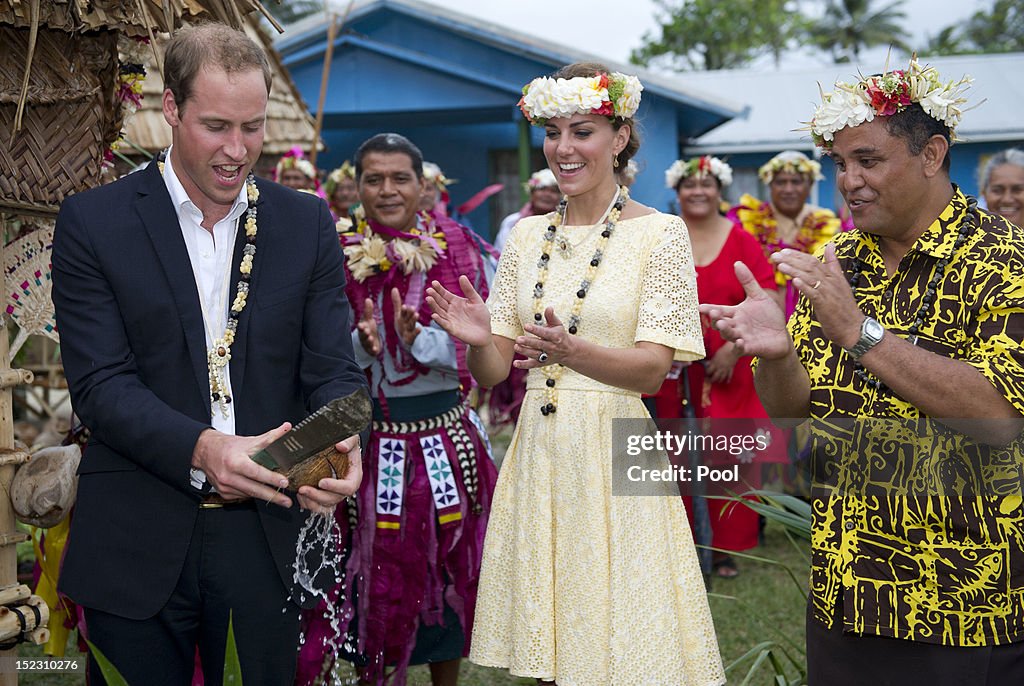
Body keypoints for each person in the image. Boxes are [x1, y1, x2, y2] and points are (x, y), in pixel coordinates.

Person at [51, 23, 366, 685]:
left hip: (268, 540)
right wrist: (204, 449)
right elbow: (101, 387)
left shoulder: (305, 223)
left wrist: (342, 439)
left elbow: (334, 366)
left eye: (251, 128)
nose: (237, 150)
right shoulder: (93, 222)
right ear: (171, 109)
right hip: (137, 535)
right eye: (216, 125)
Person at [702, 57, 1024, 685]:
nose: (849, 181)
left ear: (932, 154)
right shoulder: (837, 261)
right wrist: (777, 355)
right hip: (844, 587)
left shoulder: (1005, 261)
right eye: (840, 164)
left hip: (963, 596)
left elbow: (998, 418)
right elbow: (795, 413)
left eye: (869, 162)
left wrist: (859, 333)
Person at [427, 62, 724, 686]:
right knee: (552, 635)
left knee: (624, 634)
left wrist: (570, 351)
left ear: (619, 138)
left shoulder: (661, 234)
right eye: (553, 131)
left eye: (582, 130)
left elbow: (651, 372)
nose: (564, 147)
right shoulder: (527, 235)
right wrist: (481, 340)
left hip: (617, 442)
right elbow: (494, 367)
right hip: (542, 446)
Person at [313, 133, 497, 686]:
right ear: (357, 187)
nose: (388, 190)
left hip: (444, 436)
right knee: (367, 572)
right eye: (375, 179)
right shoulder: (332, 250)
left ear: (423, 185)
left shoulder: (458, 244)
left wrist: (415, 340)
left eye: (400, 178)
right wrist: (361, 345)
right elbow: (315, 345)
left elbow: (486, 342)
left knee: (447, 563)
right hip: (364, 440)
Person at [656, 156, 785, 578]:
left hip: (730, 367)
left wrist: (734, 350)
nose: (698, 191)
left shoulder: (742, 239)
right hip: (672, 369)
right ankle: (679, 544)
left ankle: (728, 547)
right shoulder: (661, 236)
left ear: (719, 190)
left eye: (706, 184)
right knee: (672, 456)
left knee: (731, 454)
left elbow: (769, 296)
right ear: (676, 191)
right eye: (689, 184)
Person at [728, 150, 842, 318]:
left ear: (810, 185)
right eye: (781, 182)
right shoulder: (749, 222)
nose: (789, 189)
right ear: (770, 185)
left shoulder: (827, 225)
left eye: (796, 182)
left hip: (814, 322)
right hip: (758, 320)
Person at [493, 168, 561, 252]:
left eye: (553, 191)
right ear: (531, 193)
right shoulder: (512, 222)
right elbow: (500, 255)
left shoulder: (566, 222)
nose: (547, 195)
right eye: (542, 189)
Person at [979, 147, 1024, 227]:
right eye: (997, 190)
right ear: (984, 194)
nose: (1007, 199)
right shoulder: (967, 237)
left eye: (1017, 190)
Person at [325, 159, 360, 224]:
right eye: (340, 189)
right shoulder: (325, 220)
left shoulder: (366, 219)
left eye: (350, 188)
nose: (345, 193)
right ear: (332, 194)